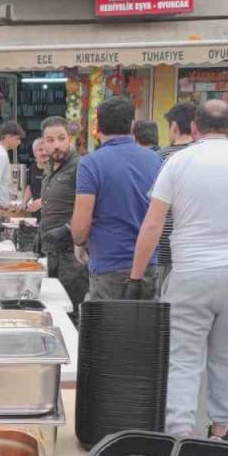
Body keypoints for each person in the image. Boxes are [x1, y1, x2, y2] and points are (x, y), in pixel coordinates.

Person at [128, 99, 228, 440]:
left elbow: (152, 226)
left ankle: (179, 434)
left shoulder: (179, 162)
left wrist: (136, 276)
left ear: (194, 128)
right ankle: (220, 431)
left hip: (191, 273)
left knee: (182, 359)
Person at [71, 96, 164, 299]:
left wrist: (79, 244)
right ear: (132, 126)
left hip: (108, 266)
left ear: (98, 127)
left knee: (107, 330)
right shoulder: (155, 160)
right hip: (147, 265)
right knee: (143, 330)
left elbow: (79, 229)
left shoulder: (90, 164)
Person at [37, 116, 88, 310]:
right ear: (44, 143)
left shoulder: (81, 166)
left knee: (72, 312)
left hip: (72, 256)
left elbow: (92, 207)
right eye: (50, 140)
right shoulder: (50, 168)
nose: (56, 145)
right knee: (54, 311)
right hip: (52, 254)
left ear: (69, 139)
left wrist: (67, 229)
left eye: (61, 138)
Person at [155, 103, 197, 293]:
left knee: (164, 305)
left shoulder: (159, 158)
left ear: (174, 127)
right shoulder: (204, 156)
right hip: (195, 247)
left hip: (164, 244)